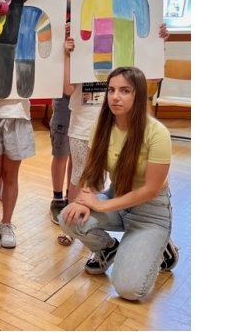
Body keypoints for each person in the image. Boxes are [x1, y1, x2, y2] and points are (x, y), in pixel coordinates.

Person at [59, 66, 179, 301]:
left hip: (150, 212)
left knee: (129, 289)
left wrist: (102, 206)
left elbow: (150, 189)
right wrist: (85, 199)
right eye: (111, 90)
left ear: (139, 94)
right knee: (68, 217)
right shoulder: (102, 126)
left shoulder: (157, 134)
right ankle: (108, 248)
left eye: (125, 91)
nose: (115, 97)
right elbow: (91, 172)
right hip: (117, 199)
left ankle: (162, 246)